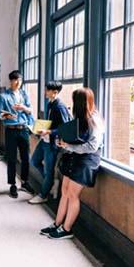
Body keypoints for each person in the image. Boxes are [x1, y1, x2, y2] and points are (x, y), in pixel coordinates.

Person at [42, 87, 104, 240]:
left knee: (72, 194)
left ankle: (67, 228)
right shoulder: (82, 117)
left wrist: (68, 146)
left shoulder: (94, 120)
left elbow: (92, 146)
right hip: (75, 156)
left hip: (87, 160)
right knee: (65, 191)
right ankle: (57, 223)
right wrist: (64, 140)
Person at [28, 81, 71, 204]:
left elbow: (64, 128)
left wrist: (49, 131)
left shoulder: (60, 107)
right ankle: (51, 181)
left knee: (48, 171)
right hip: (44, 140)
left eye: (47, 90)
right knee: (34, 161)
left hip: (52, 143)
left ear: (55, 92)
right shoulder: (49, 103)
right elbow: (50, 121)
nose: (45, 92)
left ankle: (43, 195)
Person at [0, 70, 35, 198]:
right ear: (11, 81)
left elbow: (30, 110)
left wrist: (23, 108)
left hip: (24, 129)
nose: (18, 83)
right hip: (11, 130)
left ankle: (25, 182)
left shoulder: (24, 94)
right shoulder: (3, 96)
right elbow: (0, 114)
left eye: (20, 80)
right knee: (12, 158)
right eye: (16, 80)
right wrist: (8, 115)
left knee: (26, 158)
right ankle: (12, 184)